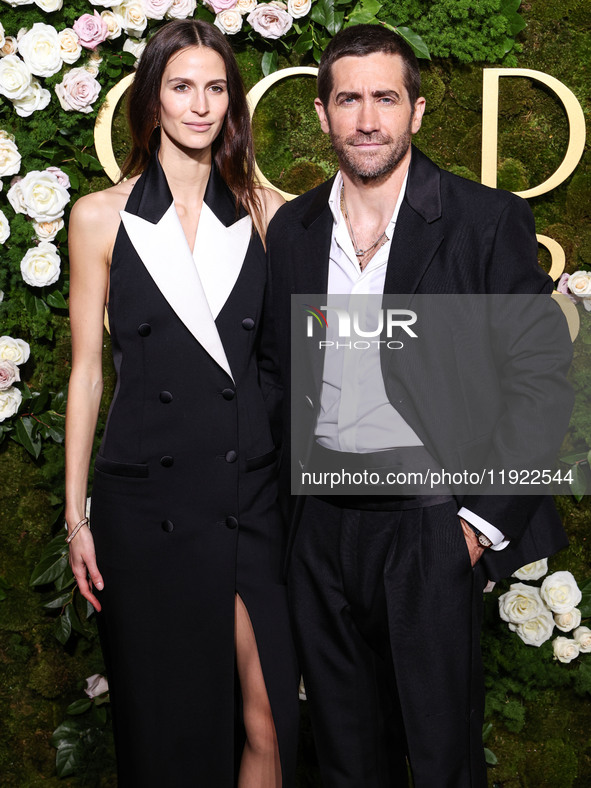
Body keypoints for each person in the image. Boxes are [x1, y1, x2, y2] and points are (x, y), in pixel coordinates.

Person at [265, 23, 573, 788]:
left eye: (384, 98)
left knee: (439, 762)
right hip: (321, 527)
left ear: (418, 112)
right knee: (341, 758)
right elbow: (276, 374)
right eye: (348, 100)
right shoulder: (295, 228)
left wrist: (477, 524)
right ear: (321, 114)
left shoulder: (482, 220)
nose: (367, 119)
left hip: (431, 526)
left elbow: (540, 376)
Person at [64, 20, 298, 787]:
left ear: (231, 102)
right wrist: (77, 518)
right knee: (167, 736)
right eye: (180, 86)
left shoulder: (267, 212)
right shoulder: (101, 215)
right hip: (146, 506)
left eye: (215, 87)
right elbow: (89, 373)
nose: (199, 105)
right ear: (151, 99)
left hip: (248, 499)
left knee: (269, 718)